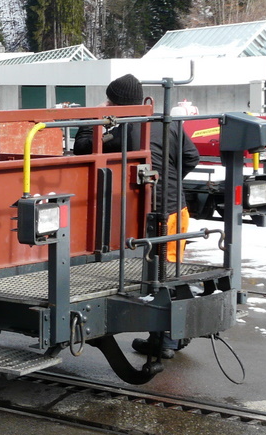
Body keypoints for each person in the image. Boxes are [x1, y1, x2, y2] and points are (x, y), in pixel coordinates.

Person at [73, 74, 200, 359]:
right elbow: (191, 157)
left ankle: (165, 340)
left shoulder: (120, 128)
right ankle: (173, 334)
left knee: (158, 275)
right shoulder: (165, 123)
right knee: (171, 271)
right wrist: (170, 181)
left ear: (113, 101)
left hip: (145, 212)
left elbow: (82, 148)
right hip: (175, 209)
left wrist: (92, 118)